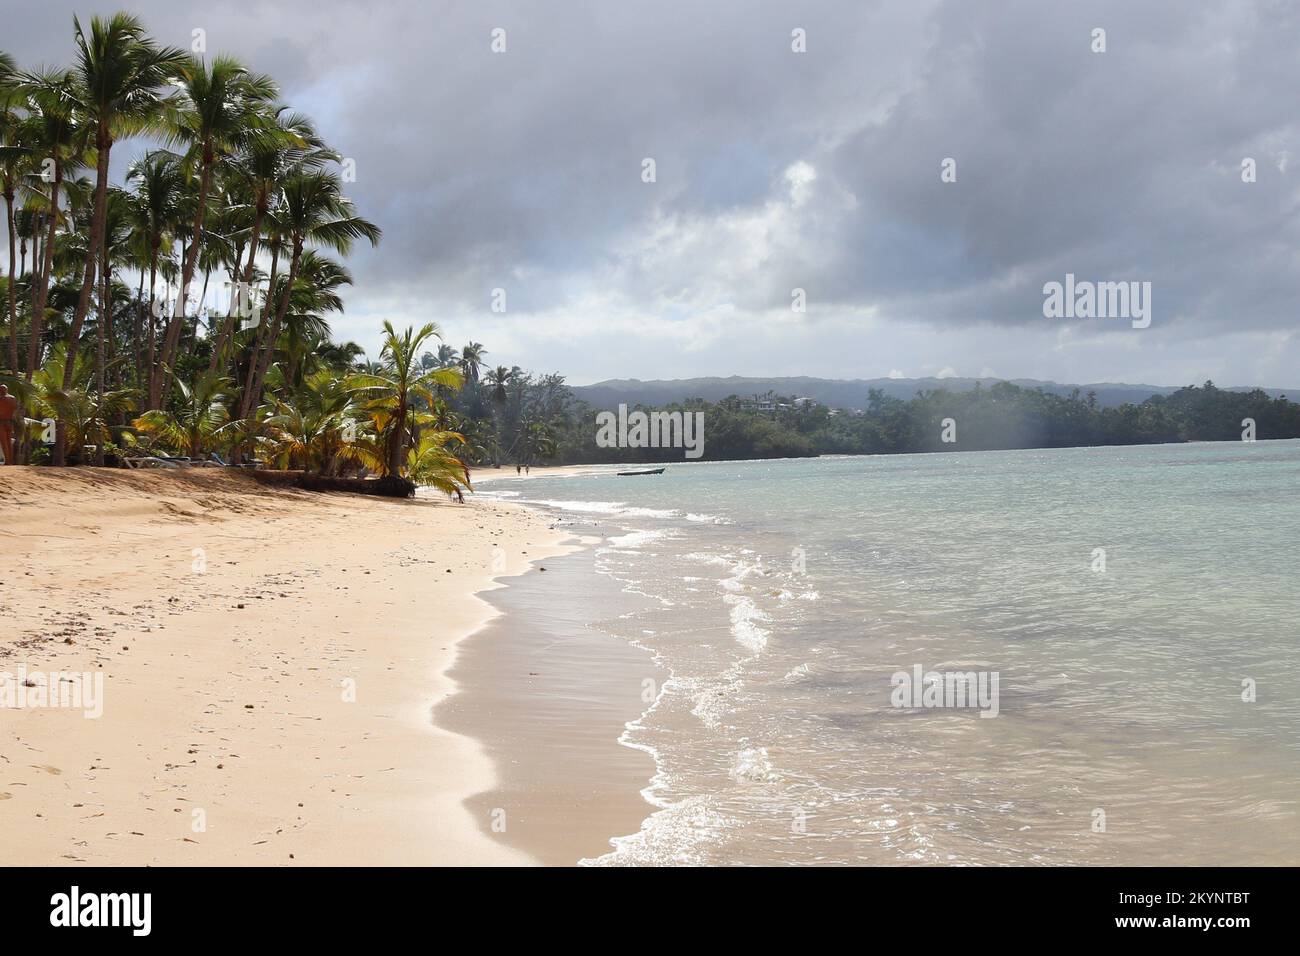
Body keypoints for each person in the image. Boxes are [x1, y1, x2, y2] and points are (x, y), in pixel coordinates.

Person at [0, 384, 17, 465]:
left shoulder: (1, 399)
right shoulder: (13, 398)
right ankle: (11, 460)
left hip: (2, 422)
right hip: (10, 421)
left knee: (4, 442)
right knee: (9, 441)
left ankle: (7, 461)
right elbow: (14, 410)